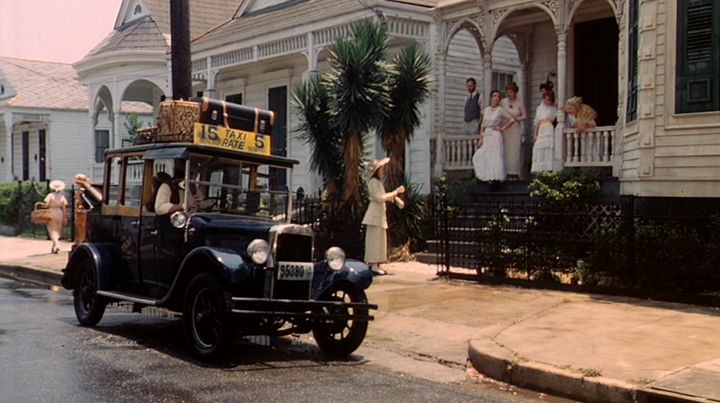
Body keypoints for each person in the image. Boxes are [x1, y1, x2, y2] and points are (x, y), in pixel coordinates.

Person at [362, 157, 405, 275]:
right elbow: (379, 198)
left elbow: (384, 196)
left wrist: (395, 197)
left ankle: (377, 264)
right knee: (374, 241)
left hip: (380, 215)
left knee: (380, 240)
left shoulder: (379, 183)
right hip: (374, 216)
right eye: (381, 169)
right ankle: (372, 264)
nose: (383, 171)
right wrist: (395, 192)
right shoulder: (372, 182)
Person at [473, 90, 514, 182]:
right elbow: (483, 125)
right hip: (487, 134)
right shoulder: (486, 110)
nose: (496, 98)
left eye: (498, 96)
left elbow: (512, 120)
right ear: (491, 97)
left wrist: (502, 128)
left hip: (495, 135)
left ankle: (496, 178)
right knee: (481, 155)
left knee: (495, 157)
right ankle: (487, 177)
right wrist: (481, 138)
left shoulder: (500, 110)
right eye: (494, 96)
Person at [500, 82, 527, 179]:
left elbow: (524, 116)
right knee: (505, 150)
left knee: (515, 151)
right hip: (505, 128)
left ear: (515, 92)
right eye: (507, 92)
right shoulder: (503, 102)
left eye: (511, 92)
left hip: (515, 128)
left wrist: (516, 118)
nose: (509, 94)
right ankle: (505, 172)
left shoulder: (519, 102)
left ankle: (514, 173)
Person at [531, 89, 558, 173]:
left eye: (549, 100)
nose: (547, 101)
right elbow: (537, 122)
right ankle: (539, 169)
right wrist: (536, 133)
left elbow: (555, 117)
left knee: (548, 146)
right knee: (539, 146)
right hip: (541, 128)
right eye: (546, 99)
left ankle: (548, 168)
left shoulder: (553, 108)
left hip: (549, 128)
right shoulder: (540, 108)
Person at [72, 174, 103, 245]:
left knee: (84, 228)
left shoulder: (88, 190)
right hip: (81, 212)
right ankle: (79, 241)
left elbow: (98, 199)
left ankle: (82, 241)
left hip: (88, 213)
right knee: (79, 229)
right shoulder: (80, 190)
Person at [42, 180, 68, 254]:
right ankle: (54, 248)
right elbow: (64, 208)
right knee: (58, 230)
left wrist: (44, 206)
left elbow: (46, 204)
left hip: (51, 212)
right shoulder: (62, 197)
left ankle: (57, 245)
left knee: (51, 230)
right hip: (59, 213)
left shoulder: (50, 195)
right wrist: (65, 217)